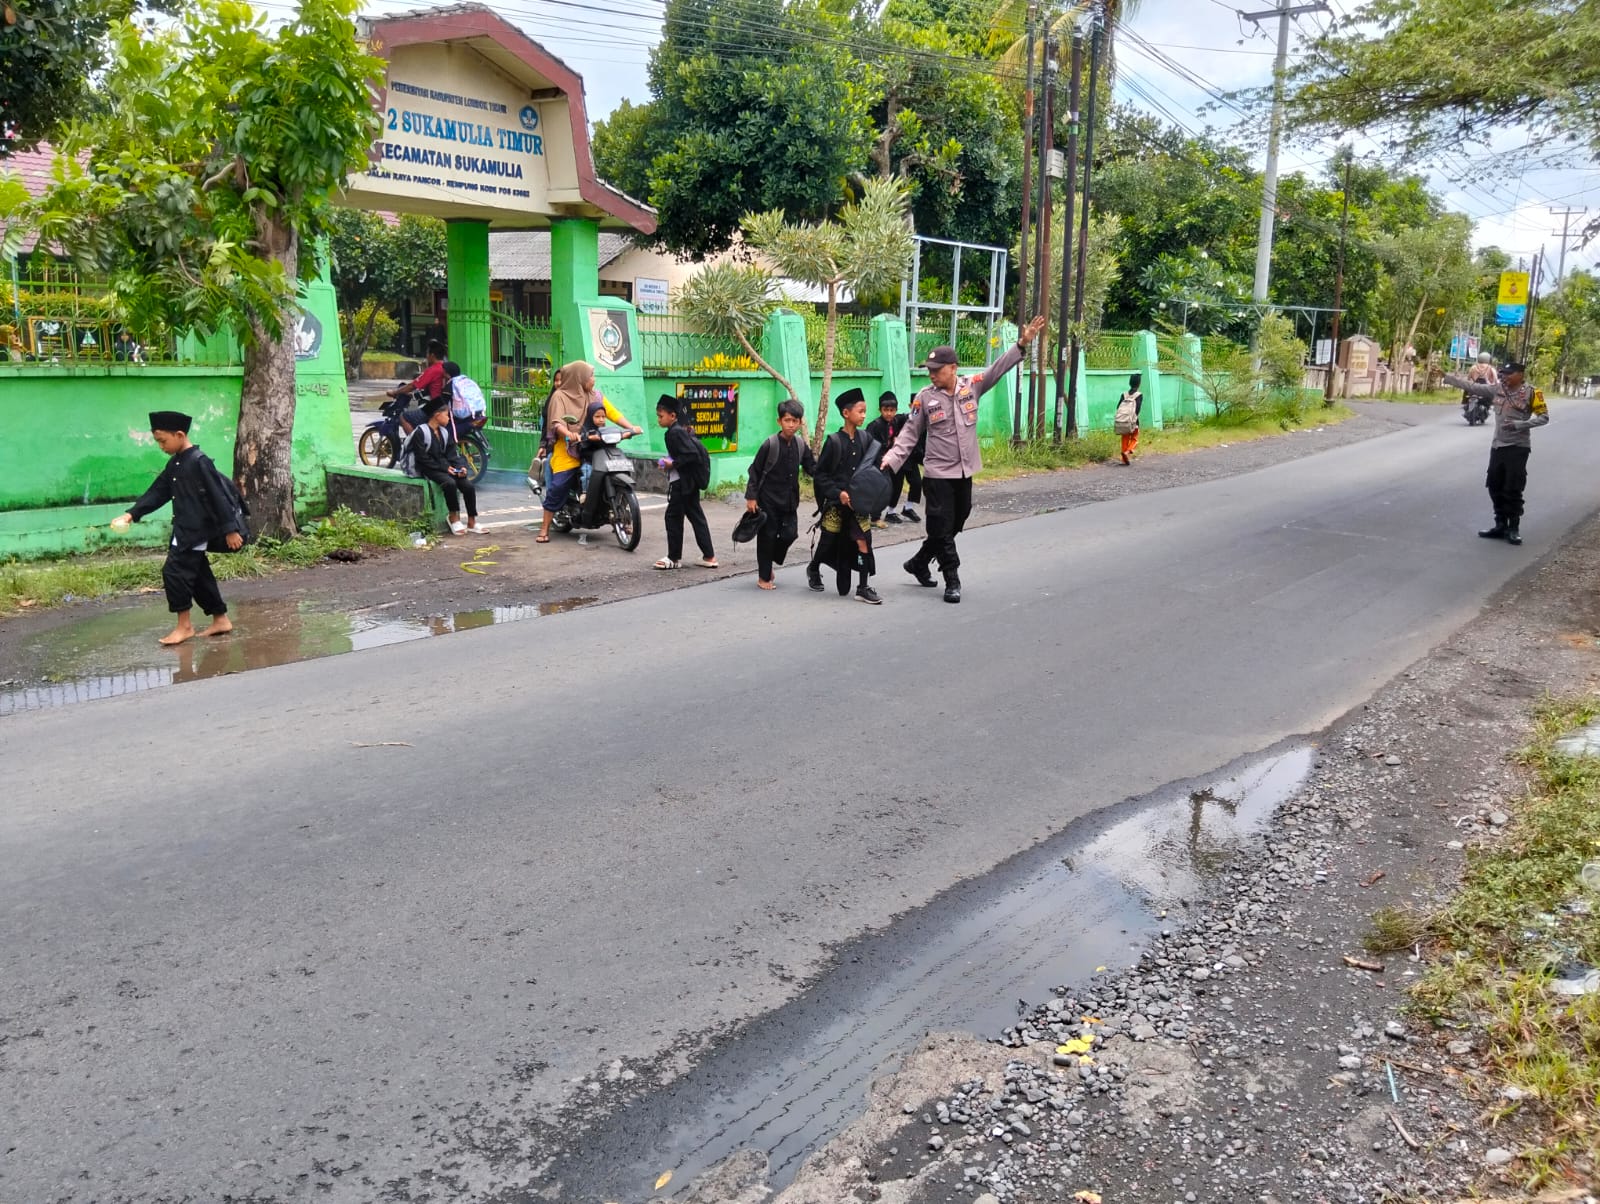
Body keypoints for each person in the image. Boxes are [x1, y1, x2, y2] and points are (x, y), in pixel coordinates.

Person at [883, 315, 1047, 603]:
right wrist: (891, 459)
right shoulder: (925, 398)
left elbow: (997, 369)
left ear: (953, 368)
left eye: (937, 370)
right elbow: (909, 433)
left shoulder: (972, 386)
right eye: (929, 370)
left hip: (964, 471)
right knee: (942, 528)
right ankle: (952, 579)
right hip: (937, 475)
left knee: (956, 521)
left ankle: (919, 562)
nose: (932, 375)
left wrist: (1022, 344)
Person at [110, 411, 246, 646]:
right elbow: (158, 491)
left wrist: (230, 529)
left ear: (180, 435)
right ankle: (220, 619)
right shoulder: (175, 463)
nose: (161, 446)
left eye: (163, 441)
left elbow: (218, 496)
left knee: (174, 572)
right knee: (199, 575)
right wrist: (133, 513)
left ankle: (184, 626)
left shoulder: (199, 462)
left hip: (197, 531)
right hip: (185, 529)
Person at [1443, 360, 1550, 546]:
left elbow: (1544, 418)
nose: (1504, 377)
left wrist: (1520, 425)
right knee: (1494, 485)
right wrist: (1447, 377)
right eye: (1503, 374)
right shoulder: (1497, 389)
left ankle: (1513, 527)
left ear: (1520, 375)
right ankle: (1500, 524)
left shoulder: (1533, 393)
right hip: (1498, 446)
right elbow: (1473, 387)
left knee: (1513, 488)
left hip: (1518, 447)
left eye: (1509, 374)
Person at [535, 362, 641, 544]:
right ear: (579, 377)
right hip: (568, 448)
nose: (593, 379)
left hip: (593, 445)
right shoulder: (560, 396)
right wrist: (569, 433)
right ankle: (544, 528)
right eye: (590, 376)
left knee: (612, 469)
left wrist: (631, 427)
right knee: (559, 486)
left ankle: (620, 515)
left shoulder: (595, 395)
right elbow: (556, 422)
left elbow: (612, 413)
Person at [807, 388, 881, 604]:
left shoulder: (866, 439)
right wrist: (837, 493)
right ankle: (814, 568)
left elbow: (873, 468)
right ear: (846, 413)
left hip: (859, 505)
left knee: (863, 541)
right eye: (860, 411)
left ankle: (863, 587)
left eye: (865, 411)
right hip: (836, 505)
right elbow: (820, 475)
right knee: (827, 542)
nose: (864, 415)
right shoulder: (834, 441)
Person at [744, 398, 817, 589]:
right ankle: (764, 576)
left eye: (795, 421)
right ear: (779, 421)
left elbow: (812, 467)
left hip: (790, 500)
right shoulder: (770, 445)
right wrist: (751, 497)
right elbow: (755, 471)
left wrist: (828, 476)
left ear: (800, 423)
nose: (791, 425)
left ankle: (769, 561)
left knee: (790, 534)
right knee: (767, 537)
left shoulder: (800, 445)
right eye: (787, 420)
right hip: (767, 500)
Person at [655, 396, 718, 569]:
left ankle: (673, 558)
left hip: (682, 484)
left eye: (661, 416)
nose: (659, 420)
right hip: (690, 483)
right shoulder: (678, 431)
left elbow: (691, 455)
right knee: (696, 517)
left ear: (672, 416)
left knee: (673, 517)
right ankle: (709, 556)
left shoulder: (675, 433)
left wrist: (672, 464)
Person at [404, 404, 481, 535]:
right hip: (428, 467)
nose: (449, 418)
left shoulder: (444, 432)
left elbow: (453, 454)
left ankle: (471, 521)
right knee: (449, 483)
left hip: (445, 467)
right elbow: (422, 458)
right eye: (447, 415)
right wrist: (445, 468)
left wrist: (460, 468)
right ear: (437, 415)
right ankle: (453, 517)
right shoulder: (421, 432)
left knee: (468, 486)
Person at [865, 392, 910, 527]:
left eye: (892, 410)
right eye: (886, 410)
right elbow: (869, 446)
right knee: (880, 489)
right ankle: (874, 517)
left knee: (896, 484)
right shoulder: (874, 425)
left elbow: (909, 417)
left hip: (891, 460)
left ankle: (890, 512)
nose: (889, 413)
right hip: (878, 462)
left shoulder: (895, 421)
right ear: (880, 410)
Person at [388, 339, 448, 430]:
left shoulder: (433, 370)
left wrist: (394, 392)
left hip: (435, 405)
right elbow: (428, 388)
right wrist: (412, 394)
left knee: (404, 417)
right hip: (443, 403)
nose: (426, 356)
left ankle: (415, 438)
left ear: (432, 355)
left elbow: (412, 386)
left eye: (427, 353)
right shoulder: (444, 367)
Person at [528, 366, 564, 494]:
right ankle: (550, 495)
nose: (558, 383)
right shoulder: (551, 400)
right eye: (556, 380)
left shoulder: (573, 399)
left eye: (561, 380)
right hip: (553, 442)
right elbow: (545, 424)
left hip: (569, 444)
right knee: (549, 462)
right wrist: (542, 445)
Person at [1114, 373, 1144, 465]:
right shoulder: (1139, 395)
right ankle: (1128, 451)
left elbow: (1118, 407)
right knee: (1134, 438)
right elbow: (1137, 409)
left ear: (1130, 382)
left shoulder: (1124, 394)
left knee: (1125, 438)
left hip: (1123, 421)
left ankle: (1124, 459)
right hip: (1133, 421)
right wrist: (1134, 419)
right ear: (1139, 383)